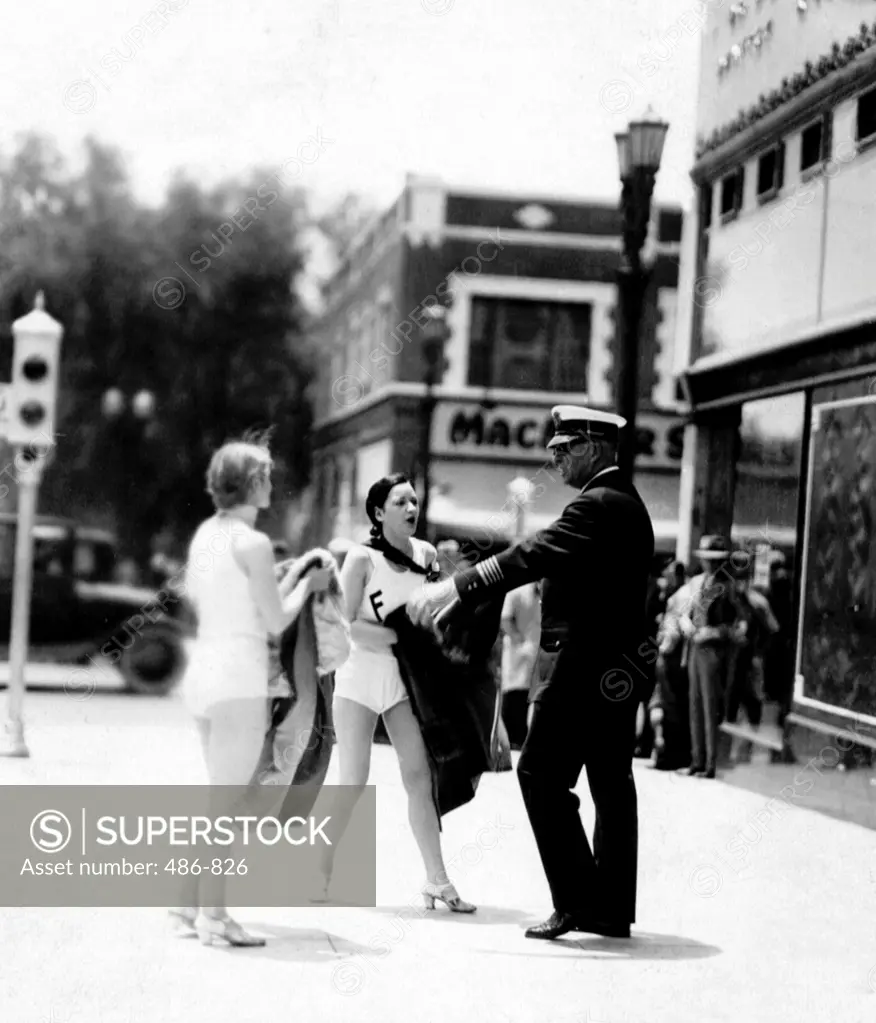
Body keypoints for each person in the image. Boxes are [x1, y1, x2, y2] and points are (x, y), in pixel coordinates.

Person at [408, 405, 655, 941]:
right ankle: (609, 909)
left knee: (540, 774)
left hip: (582, 670)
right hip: (616, 669)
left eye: (563, 450)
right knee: (611, 785)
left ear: (593, 447)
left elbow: (533, 553)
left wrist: (459, 583)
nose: (556, 460)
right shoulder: (625, 503)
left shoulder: (598, 505)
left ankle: (578, 902)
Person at [171, 437, 332, 947]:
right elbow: (276, 618)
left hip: (204, 671)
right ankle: (215, 918)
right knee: (227, 803)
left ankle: (185, 904)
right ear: (252, 482)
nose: (272, 482)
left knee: (217, 796)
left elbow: (241, 602)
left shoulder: (206, 536)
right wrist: (311, 581)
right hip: (240, 677)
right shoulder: (256, 544)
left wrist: (294, 576)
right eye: (266, 475)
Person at [321, 472, 476, 913]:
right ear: (378, 512)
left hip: (405, 682)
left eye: (414, 501)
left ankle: (438, 881)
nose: (412, 509)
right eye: (401, 503)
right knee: (352, 782)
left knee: (419, 779)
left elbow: (435, 610)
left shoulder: (427, 554)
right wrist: (398, 636)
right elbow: (344, 623)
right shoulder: (360, 558)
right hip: (358, 679)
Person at [663, 535, 745, 780]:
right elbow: (684, 610)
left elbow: (740, 625)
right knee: (695, 705)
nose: (710, 564)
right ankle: (696, 760)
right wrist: (686, 622)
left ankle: (710, 763)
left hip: (714, 650)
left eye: (715, 560)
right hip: (695, 648)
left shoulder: (730, 587)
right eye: (707, 560)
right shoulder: (699, 583)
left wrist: (715, 632)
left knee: (710, 707)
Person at [499, 581, 541, 750]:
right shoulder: (516, 591)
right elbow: (505, 620)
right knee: (514, 693)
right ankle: (512, 740)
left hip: (536, 650)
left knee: (530, 694)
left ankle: (523, 738)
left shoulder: (542, 591)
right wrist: (520, 642)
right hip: (517, 650)